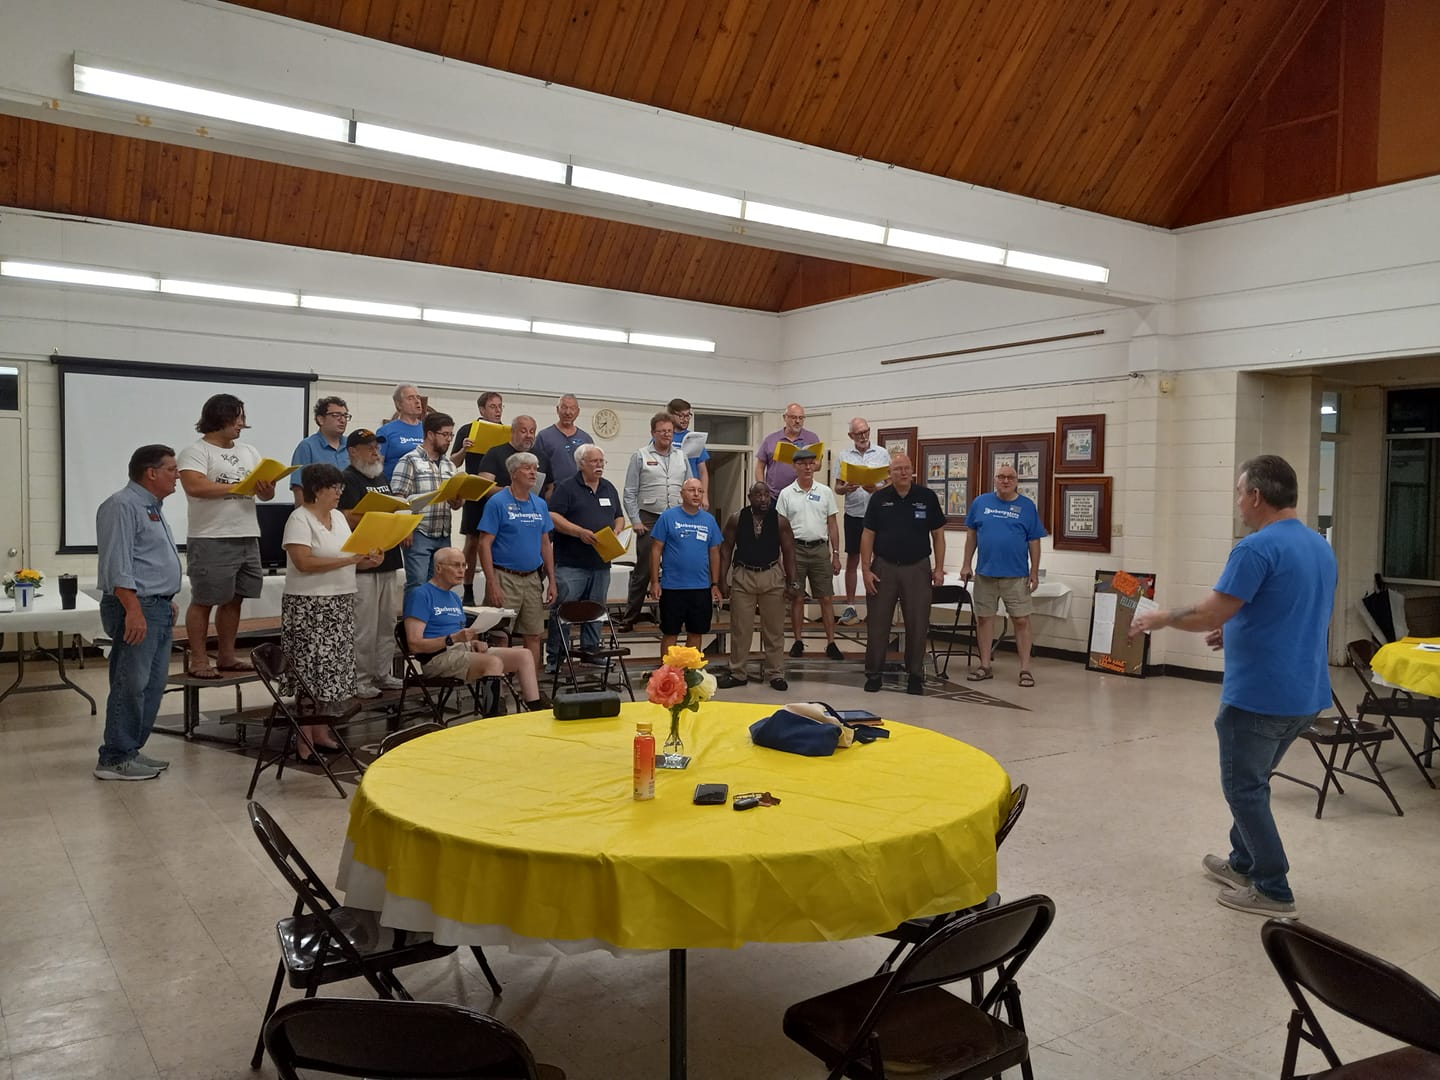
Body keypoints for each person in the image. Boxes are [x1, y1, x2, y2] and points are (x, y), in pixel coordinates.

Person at [1130, 455, 1336, 919]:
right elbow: (1291, 606)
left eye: (1240, 493)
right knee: (1256, 781)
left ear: (1257, 496)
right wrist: (1235, 629)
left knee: (1244, 789)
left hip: (1260, 696)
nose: (1238, 503)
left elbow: (1209, 611)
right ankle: (1242, 862)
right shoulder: (1318, 546)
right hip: (1305, 695)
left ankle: (1273, 887)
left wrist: (1157, 618)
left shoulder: (1255, 548)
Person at [93, 445, 184, 781]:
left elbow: (147, 559)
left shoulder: (152, 507)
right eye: (172, 469)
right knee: (130, 682)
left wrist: (164, 596)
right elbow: (118, 564)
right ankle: (114, 758)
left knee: (151, 684)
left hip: (155, 604)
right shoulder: (121, 505)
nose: (178, 475)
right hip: (136, 606)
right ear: (151, 472)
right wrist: (134, 609)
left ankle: (130, 749)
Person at [281, 463, 383, 760]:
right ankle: (304, 739)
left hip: (340, 601)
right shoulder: (299, 519)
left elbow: (348, 558)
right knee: (309, 673)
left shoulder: (338, 517)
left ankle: (322, 730)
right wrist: (349, 561)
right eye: (334, 487)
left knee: (332, 673)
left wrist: (367, 561)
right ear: (316, 489)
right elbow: (304, 562)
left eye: (340, 487)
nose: (340, 492)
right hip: (309, 606)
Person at [178, 393, 276, 680]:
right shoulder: (195, 451)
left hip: (247, 533)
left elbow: (266, 495)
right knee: (205, 599)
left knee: (235, 599)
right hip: (211, 537)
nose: (242, 424)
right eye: (238, 417)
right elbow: (195, 487)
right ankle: (198, 660)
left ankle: (227, 655)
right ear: (219, 417)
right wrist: (239, 487)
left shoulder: (249, 451)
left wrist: (265, 488)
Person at [404, 547, 549, 711]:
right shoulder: (421, 595)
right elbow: (415, 644)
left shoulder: (453, 597)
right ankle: (493, 717)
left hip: (461, 650)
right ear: (438, 568)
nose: (461, 571)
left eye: (464, 566)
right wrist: (452, 639)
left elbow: (462, 634)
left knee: (524, 655)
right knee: (492, 662)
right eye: (456, 566)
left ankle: (534, 708)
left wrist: (474, 642)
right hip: (436, 657)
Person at [860, 454, 946, 695]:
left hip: (917, 567)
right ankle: (874, 674)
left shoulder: (926, 497)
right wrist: (866, 569)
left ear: (913, 471)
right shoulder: (878, 499)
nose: (903, 473)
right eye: (898, 469)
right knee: (878, 623)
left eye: (907, 468)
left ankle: (915, 676)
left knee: (918, 624)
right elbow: (868, 535)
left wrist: (938, 568)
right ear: (890, 473)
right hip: (884, 567)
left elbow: (938, 535)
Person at [960, 463, 1046, 687]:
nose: (1005, 480)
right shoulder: (981, 503)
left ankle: (1025, 669)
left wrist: (1034, 570)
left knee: (1021, 620)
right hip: (985, 573)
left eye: (1010, 477)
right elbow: (971, 536)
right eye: (1001, 476)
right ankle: (985, 665)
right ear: (995, 479)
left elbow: (1034, 541)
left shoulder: (1027, 507)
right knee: (985, 619)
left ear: (1017, 481)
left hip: (1016, 575)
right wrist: (966, 564)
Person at [337, 428, 406, 697]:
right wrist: (379, 516)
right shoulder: (347, 479)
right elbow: (345, 516)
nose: (375, 451)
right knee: (364, 625)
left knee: (386, 622)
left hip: (388, 557)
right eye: (368, 447)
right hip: (363, 561)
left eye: (377, 447)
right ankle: (360, 678)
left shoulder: (381, 476)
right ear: (353, 451)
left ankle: (382, 672)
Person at [478, 451, 558, 674]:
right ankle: (497, 689)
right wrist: (492, 583)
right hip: (504, 576)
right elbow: (484, 544)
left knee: (533, 634)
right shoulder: (497, 502)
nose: (533, 472)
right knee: (500, 635)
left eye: (535, 468)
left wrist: (552, 580)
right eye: (527, 468)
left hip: (532, 577)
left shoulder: (540, 504)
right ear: (513, 473)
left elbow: (545, 544)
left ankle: (530, 688)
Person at [547, 444, 624, 669]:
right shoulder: (567, 487)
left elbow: (618, 516)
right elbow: (552, 515)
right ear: (581, 464)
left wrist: (617, 530)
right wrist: (578, 531)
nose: (599, 465)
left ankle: (591, 652)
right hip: (572, 563)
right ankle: (556, 658)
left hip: (601, 562)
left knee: (595, 609)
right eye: (594, 461)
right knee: (564, 611)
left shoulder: (608, 488)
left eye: (602, 461)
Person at [718, 482, 796, 692]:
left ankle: (775, 673)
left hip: (772, 575)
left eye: (767, 495)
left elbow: (789, 553)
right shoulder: (736, 519)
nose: (763, 499)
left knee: (774, 629)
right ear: (749, 497)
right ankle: (737, 672)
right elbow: (726, 550)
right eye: (758, 495)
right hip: (744, 575)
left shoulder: (780, 521)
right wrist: (721, 580)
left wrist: (793, 581)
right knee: (740, 629)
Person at [471, 414, 552, 604]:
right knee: (501, 630)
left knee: (533, 632)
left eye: (532, 431)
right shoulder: (496, 454)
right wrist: (509, 492)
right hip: (504, 569)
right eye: (523, 431)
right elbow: (483, 487)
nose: (528, 435)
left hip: (533, 569)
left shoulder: (542, 457)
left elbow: (550, 487)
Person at [618, 412, 687, 630]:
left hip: (676, 517)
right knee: (645, 569)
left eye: (670, 431)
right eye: (662, 431)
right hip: (649, 518)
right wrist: (635, 520)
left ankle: (671, 617)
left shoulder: (681, 456)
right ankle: (630, 618)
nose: (667, 435)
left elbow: (689, 485)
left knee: (674, 567)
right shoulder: (640, 456)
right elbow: (629, 492)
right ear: (653, 433)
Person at [775, 447, 844, 660]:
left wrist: (835, 553)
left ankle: (831, 642)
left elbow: (832, 524)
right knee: (797, 597)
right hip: (795, 550)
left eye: (811, 463)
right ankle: (797, 641)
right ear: (795, 466)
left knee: (826, 597)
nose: (807, 467)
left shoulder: (824, 492)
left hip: (820, 549)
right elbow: (780, 528)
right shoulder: (786, 494)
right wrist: (780, 558)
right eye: (803, 463)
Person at [390, 411, 463, 591]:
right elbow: (398, 498)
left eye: (451, 435)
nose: (449, 439)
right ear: (430, 434)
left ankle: (433, 619)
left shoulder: (449, 465)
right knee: (418, 583)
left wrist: (458, 501)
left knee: (441, 585)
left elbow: (455, 504)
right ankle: (414, 619)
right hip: (419, 532)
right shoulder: (409, 460)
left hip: (443, 532)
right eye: (445, 434)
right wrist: (406, 530)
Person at [649, 478, 722, 653]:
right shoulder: (668, 517)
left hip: (701, 588)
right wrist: (654, 581)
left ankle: (691, 674)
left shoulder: (709, 520)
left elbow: (714, 553)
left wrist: (715, 584)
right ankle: (667, 676)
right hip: (673, 587)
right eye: (691, 490)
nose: (696, 494)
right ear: (682, 494)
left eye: (700, 491)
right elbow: (656, 550)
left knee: (696, 632)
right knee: (670, 633)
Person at [451, 391, 505, 605]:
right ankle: (468, 589)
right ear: (482, 409)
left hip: (499, 492)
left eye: (500, 406)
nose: (498, 410)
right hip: (476, 493)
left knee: (499, 540)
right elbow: (453, 462)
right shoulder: (468, 429)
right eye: (493, 406)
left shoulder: (506, 431)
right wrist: (465, 448)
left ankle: (498, 587)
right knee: (473, 541)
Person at [834, 416, 889, 624]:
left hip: (879, 515)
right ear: (851, 436)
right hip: (854, 514)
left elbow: (890, 485)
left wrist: (876, 489)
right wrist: (846, 488)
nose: (864, 436)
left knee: (879, 559)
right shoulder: (844, 456)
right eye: (859, 433)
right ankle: (850, 607)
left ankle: (878, 605)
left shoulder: (882, 454)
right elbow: (837, 487)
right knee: (854, 559)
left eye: (866, 431)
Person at [288, 396, 350, 502]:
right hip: (319, 513)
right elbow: (299, 488)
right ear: (321, 419)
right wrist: (306, 516)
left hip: (349, 512)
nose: (343, 420)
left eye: (345, 416)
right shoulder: (307, 446)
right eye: (336, 415)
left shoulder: (351, 445)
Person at [756, 402, 820, 500]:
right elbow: (760, 467)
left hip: (802, 494)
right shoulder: (771, 439)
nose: (798, 421)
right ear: (785, 418)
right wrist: (762, 489)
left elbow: (818, 466)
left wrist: (805, 464)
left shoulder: (812, 438)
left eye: (801, 418)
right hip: (775, 496)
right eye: (794, 417)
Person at [536, 394, 593, 490]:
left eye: (572, 408)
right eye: (564, 407)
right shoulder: (544, 436)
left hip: (580, 492)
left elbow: (592, 467)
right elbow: (536, 468)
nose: (568, 412)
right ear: (557, 409)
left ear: (578, 412)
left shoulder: (586, 439)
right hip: (553, 493)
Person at [377, 383, 426, 480]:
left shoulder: (428, 429)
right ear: (399, 404)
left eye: (418, 397)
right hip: (396, 486)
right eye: (411, 398)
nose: (417, 401)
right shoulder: (385, 431)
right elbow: (378, 464)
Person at [668, 397, 710, 509]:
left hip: (692, 492)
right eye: (681, 416)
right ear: (671, 415)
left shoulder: (695, 439)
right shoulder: (664, 436)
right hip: (671, 492)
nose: (685, 419)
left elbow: (703, 471)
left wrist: (704, 495)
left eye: (688, 415)